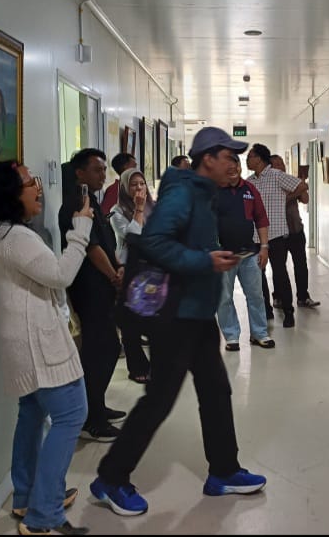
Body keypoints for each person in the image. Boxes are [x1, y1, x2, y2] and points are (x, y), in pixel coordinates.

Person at [90, 126, 267, 516]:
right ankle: (110, 479)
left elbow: (189, 242)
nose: (235, 165)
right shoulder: (182, 193)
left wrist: (212, 255)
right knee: (159, 400)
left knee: (216, 392)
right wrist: (204, 260)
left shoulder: (203, 193)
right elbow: (153, 241)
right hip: (175, 316)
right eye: (229, 157)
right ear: (208, 159)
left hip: (198, 314)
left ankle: (224, 471)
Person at [0, 160, 93, 536]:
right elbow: (61, 275)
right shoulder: (16, 238)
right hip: (40, 347)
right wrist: (81, 230)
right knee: (71, 415)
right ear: (9, 193)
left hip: (25, 347)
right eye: (29, 182)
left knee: (32, 415)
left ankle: (27, 495)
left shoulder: (0, 234)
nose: (38, 187)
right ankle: (43, 514)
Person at [59, 148, 125, 442]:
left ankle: (96, 406)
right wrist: (113, 276)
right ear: (80, 172)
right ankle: (91, 419)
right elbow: (91, 248)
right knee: (102, 349)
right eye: (97, 170)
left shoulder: (92, 201)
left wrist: (118, 268)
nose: (103, 175)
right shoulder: (75, 204)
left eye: (103, 169)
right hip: (89, 287)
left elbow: (106, 244)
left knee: (106, 348)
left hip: (103, 285)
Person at [246, 143, 308, 328]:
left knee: (280, 273)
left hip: (276, 235)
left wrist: (285, 198)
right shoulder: (249, 182)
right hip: (256, 236)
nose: (248, 160)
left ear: (259, 159)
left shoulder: (277, 176)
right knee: (259, 275)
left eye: (250, 157)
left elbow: (302, 185)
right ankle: (266, 310)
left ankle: (288, 312)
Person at [217, 155, 274, 351]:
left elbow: (261, 219)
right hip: (223, 255)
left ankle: (259, 333)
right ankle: (231, 336)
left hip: (249, 253)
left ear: (240, 167)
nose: (232, 169)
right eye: (227, 166)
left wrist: (264, 247)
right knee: (224, 298)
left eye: (235, 165)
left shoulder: (250, 189)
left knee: (256, 295)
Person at [110, 167, 156, 383]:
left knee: (154, 318)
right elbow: (132, 236)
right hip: (129, 269)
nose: (139, 188)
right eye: (133, 184)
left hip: (152, 270)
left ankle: (158, 365)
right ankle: (137, 367)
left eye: (142, 184)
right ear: (124, 188)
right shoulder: (117, 211)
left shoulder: (154, 208)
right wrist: (138, 209)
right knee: (130, 324)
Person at [269, 154, 320, 310]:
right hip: (277, 232)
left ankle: (303, 297)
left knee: (301, 265)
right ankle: (278, 297)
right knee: (279, 267)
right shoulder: (270, 184)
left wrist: (301, 183)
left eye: (282, 163)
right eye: (277, 164)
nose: (281, 166)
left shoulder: (292, 181)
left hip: (296, 230)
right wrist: (298, 190)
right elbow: (279, 202)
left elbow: (305, 199)